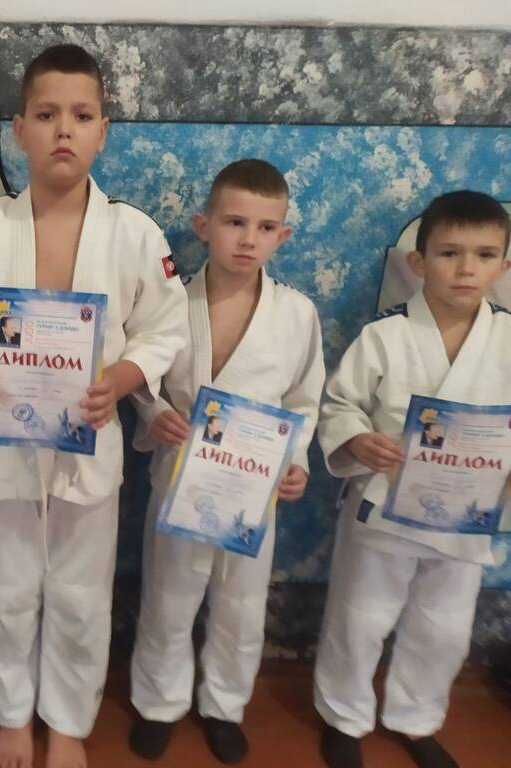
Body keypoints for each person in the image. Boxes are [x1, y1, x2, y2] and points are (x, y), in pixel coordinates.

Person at [0, 43, 188, 768]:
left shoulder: (134, 233)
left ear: (103, 131)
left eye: (81, 116)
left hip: (89, 433)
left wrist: (122, 377)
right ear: (18, 129)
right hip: (4, 439)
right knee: (7, 585)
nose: (63, 130)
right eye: (47, 114)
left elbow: (165, 328)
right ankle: (13, 713)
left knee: (80, 592)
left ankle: (69, 720)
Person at [128, 159, 325, 765]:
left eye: (265, 227)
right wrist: (156, 412)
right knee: (169, 596)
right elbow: (141, 377)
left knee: (241, 606)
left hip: (254, 491)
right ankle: (158, 703)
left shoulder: (297, 314)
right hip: (180, 476)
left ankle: (223, 705)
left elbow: (304, 401)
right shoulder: (169, 303)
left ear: (283, 236)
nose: (248, 239)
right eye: (235, 222)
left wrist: (295, 462)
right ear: (203, 225)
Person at [315, 190, 511, 768]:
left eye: (484, 255)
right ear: (419, 263)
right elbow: (339, 405)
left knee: (443, 627)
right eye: (450, 253)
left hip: (467, 516)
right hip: (384, 507)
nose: (466, 268)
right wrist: (357, 440)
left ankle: (416, 719)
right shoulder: (384, 336)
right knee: (360, 617)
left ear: (504, 265)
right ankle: (343, 716)